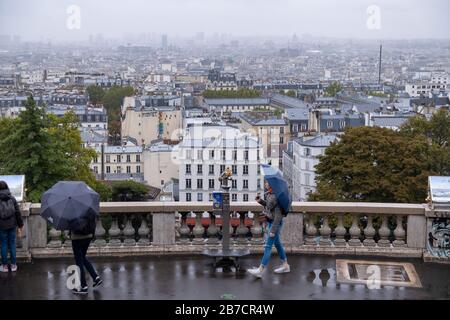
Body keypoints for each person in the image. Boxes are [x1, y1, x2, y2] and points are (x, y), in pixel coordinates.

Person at [247, 180, 290, 278]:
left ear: (271, 185)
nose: (265, 183)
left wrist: (273, 231)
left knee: (268, 246)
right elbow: (269, 205)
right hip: (271, 222)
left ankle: (261, 269)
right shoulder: (270, 194)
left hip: (275, 224)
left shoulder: (277, 196)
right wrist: (261, 201)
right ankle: (285, 265)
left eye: (267, 182)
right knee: (278, 245)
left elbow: (278, 216)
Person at [70, 219, 102, 294]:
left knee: (79, 261)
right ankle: (95, 277)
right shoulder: (89, 208)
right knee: (83, 258)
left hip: (77, 237)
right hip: (88, 236)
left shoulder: (73, 210)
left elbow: (71, 224)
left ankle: (83, 286)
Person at [0, 181, 24, 272]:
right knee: (12, 244)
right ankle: (14, 265)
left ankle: (5, 266)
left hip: (2, 226)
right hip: (12, 225)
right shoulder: (12, 198)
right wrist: (20, 224)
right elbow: (18, 213)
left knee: (3, 245)